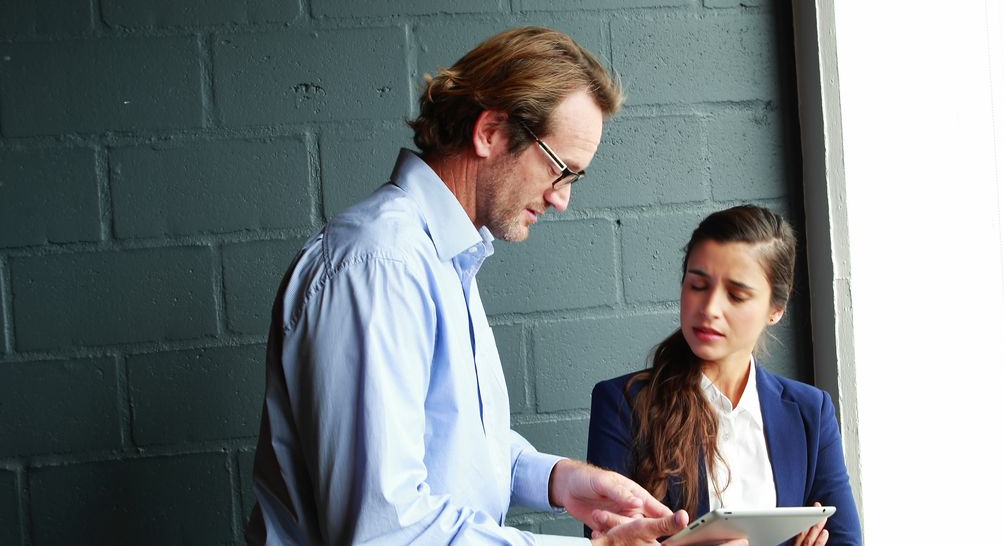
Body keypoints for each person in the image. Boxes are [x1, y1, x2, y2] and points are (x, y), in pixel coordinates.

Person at [245, 26, 712, 545]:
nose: (562, 200)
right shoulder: (381, 266)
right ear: (490, 131)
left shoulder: (443, 258)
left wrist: (559, 481)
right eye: (561, 169)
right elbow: (385, 529)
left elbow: (450, 446)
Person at [587, 205, 862, 545]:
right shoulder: (622, 403)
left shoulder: (810, 412)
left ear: (775, 309)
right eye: (698, 285)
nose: (709, 309)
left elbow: (845, 540)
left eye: (736, 295)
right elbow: (607, 539)